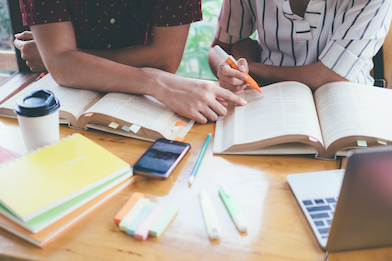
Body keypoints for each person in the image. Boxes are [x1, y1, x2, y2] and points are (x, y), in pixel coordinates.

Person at [14, 0, 247, 124]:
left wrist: (68, 59)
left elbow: (165, 60)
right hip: (59, 108)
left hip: (135, 109)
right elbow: (62, 65)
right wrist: (158, 82)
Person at [208, 0, 392, 93]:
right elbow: (221, 48)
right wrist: (225, 69)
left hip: (344, 102)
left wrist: (251, 69)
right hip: (264, 98)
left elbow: (329, 76)